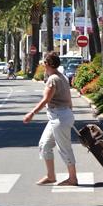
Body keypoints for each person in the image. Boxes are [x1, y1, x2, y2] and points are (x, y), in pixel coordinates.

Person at [23, 52, 78, 186]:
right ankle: (51, 176)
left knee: (64, 148)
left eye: (44, 62)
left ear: (48, 64)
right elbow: (69, 99)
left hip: (60, 117)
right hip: (59, 116)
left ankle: (73, 178)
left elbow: (46, 99)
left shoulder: (53, 79)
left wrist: (32, 113)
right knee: (44, 145)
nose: (42, 64)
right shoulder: (61, 77)